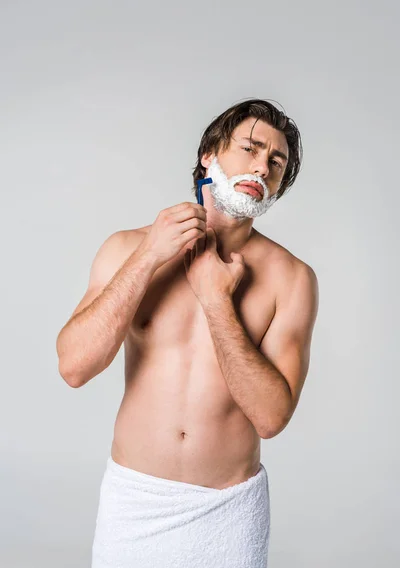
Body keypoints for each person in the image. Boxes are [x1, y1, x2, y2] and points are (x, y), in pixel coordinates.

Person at [56, 98, 319, 567]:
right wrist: (149, 257)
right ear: (210, 156)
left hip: (229, 510)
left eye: (275, 162)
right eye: (250, 148)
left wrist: (217, 300)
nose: (261, 166)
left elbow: (271, 418)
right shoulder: (128, 248)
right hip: (135, 501)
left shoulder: (292, 279)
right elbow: (74, 366)